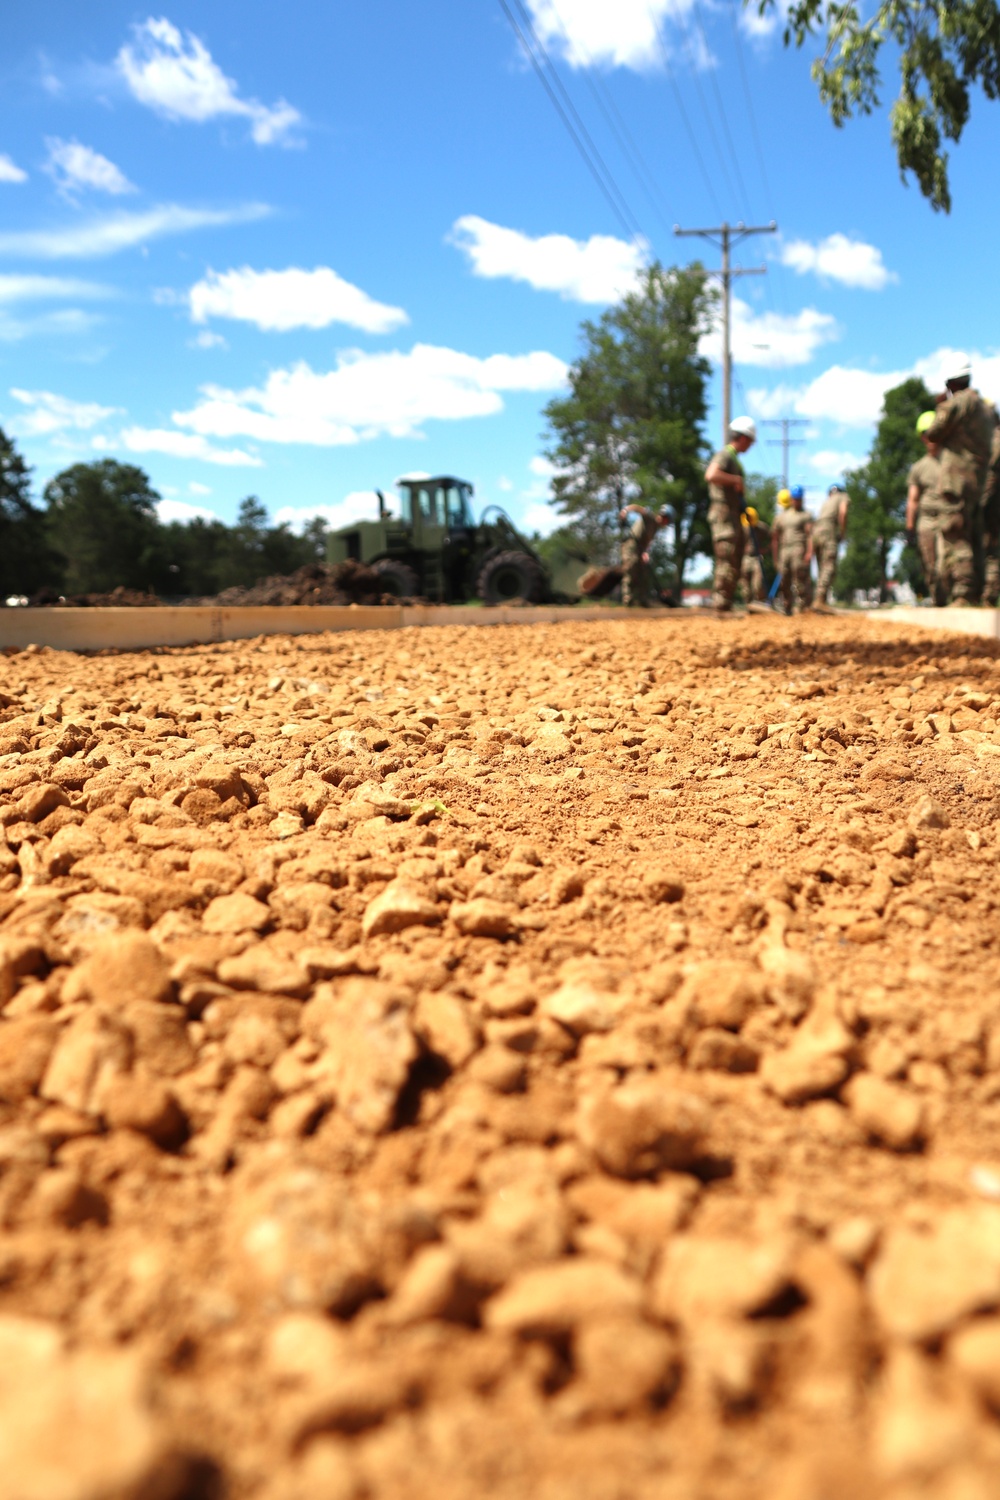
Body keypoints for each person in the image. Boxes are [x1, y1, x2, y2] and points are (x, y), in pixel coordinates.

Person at [924, 360, 994, 604]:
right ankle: (977, 594)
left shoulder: (958, 403)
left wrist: (941, 405)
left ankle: (963, 593)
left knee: (956, 533)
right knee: (974, 534)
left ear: (951, 383)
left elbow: (933, 433)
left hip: (956, 481)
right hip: (978, 481)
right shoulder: (987, 410)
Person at [704, 416, 757, 614]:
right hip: (723, 516)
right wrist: (735, 480)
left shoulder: (733, 458)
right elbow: (711, 475)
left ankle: (725, 604)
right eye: (751, 441)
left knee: (733, 560)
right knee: (726, 559)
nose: (751, 445)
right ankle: (720, 605)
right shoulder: (725, 455)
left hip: (731, 515)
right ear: (743, 438)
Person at [906, 411, 946, 605]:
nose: (930, 437)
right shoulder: (919, 468)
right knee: (930, 567)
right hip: (927, 521)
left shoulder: (952, 462)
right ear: (922, 437)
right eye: (926, 433)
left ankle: (956, 600)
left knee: (947, 563)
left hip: (950, 519)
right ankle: (939, 603)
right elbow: (913, 499)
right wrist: (910, 527)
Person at [618, 502, 671, 606]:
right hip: (631, 545)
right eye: (667, 521)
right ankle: (628, 600)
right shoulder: (649, 517)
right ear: (664, 517)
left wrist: (645, 552)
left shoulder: (656, 527)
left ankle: (642, 600)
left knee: (643, 573)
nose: (666, 524)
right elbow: (637, 508)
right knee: (631, 568)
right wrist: (625, 511)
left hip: (641, 548)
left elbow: (647, 541)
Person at [772, 484, 812, 613]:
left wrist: (809, 552)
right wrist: (775, 557)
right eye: (794, 498)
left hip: (799, 549)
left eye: (799, 498)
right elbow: (775, 537)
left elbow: (810, 535)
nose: (796, 501)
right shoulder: (782, 517)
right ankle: (787, 604)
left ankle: (801, 606)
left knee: (799, 577)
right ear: (791, 499)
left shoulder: (806, 515)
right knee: (784, 578)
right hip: (784, 550)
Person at [812, 484, 850, 605]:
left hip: (816, 532)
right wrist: (842, 532)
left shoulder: (826, 502)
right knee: (829, 567)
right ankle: (819, 600)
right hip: (828, 531)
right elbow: (843, 513)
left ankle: (820, 600)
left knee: (821, 568)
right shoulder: (843, 496)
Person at [981, 408, 1000, 606]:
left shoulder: (995, 438)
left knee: (990, 549)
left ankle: (989, 597)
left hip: (992, 505)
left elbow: (990, 474)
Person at [739, 505, 770, 602]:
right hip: (745, 558)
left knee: (758, 584)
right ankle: (748, 605)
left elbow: (773, 538)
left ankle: (759, 602)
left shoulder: (762, 527)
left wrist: (766, 549)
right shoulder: (741, 528)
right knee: (745, 585)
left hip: (757, 557)